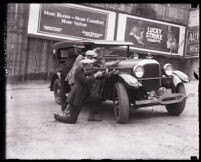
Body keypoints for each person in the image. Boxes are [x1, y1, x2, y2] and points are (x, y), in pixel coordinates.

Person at [54, 58, 105, 124]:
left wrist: (109, 73)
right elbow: (85, 81)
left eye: (91, 65)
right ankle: (57, 117)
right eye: (89, 65)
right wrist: (96, 75)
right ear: (85, 65)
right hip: (76, 98)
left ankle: (92, 116)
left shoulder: (84, 71)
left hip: (83, 97)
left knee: (98, 98)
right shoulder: (78, 71)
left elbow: (90, 74)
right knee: (72, 120)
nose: (91, 67)